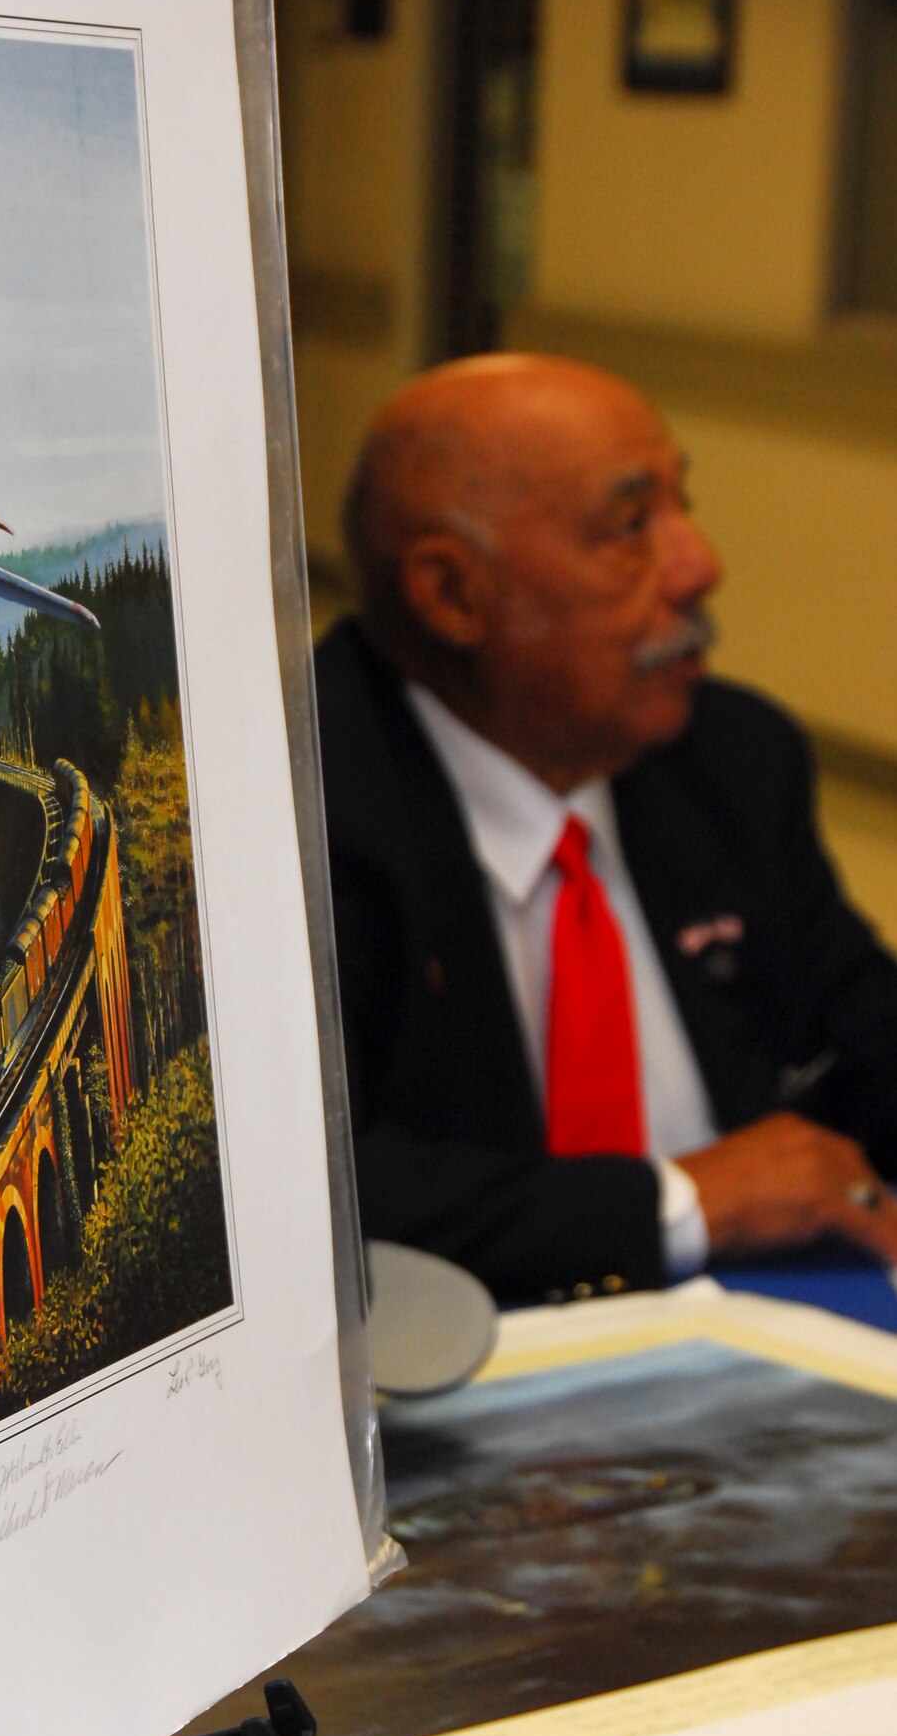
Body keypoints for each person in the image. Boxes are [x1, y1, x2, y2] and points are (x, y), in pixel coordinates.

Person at [316, 351, 897, 1306]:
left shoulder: (728, 759)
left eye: (681, 506)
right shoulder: (301, 813)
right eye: (631, 527)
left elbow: (862, 1041)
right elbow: (322, 1194)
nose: (699, 564)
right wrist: (675, 1203)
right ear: (453, 595)